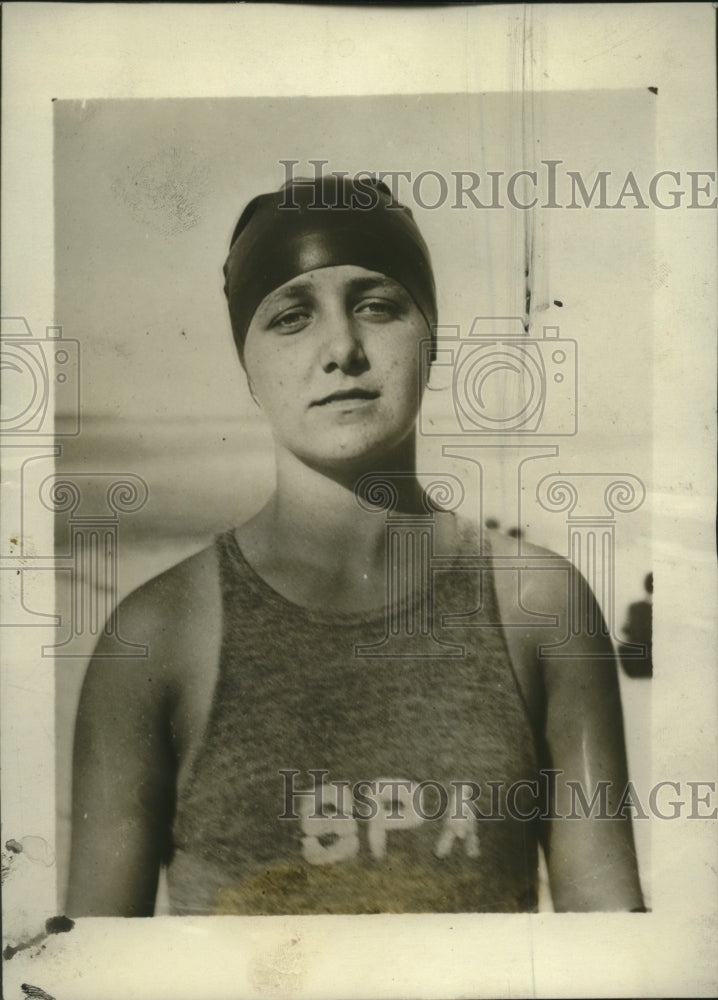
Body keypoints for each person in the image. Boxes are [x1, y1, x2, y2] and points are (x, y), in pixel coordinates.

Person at [67, 175, 644, 917]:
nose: (342, 347)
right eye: (291, 317)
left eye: (377, 306)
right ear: (248, 367)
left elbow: (609, 936)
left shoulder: (539, 607)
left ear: (431, 337)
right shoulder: (157, 637)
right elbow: (88, 970)